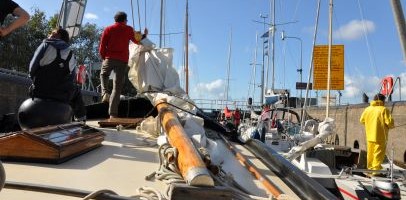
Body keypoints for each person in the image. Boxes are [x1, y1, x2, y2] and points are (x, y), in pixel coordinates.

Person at [29, 28, 86, 121]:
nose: (49, 35)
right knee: (76, 91)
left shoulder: (45, 45)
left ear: (58, 36)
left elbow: (32, 68)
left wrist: (35, 80)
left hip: (40, 91)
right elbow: (72, 78)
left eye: (52, 33)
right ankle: (81, 120)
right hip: (61, 95)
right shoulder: (71, 54)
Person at [99, 11, 147, 119]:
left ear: (115, 20)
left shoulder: (108, 29)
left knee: (103, 74)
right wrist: (144, 35)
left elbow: (102, 45)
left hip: (109, 58)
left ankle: (105, 93)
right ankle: (112, 114)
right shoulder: (128, 29)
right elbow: (137, 40)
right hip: (122, 61)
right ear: (124, 20)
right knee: (117, 87)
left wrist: (103, 57)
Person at [359, 93, 394, 174]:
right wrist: (391, 126)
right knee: (378, 154)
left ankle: (370, 170)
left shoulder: (367, 109)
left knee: (370, 154)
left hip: (369, 136)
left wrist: (369, 124)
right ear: (382, 100)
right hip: (380, 136)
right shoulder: (384, 110)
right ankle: (375, 172)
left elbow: (362, 120)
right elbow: (390, 123)